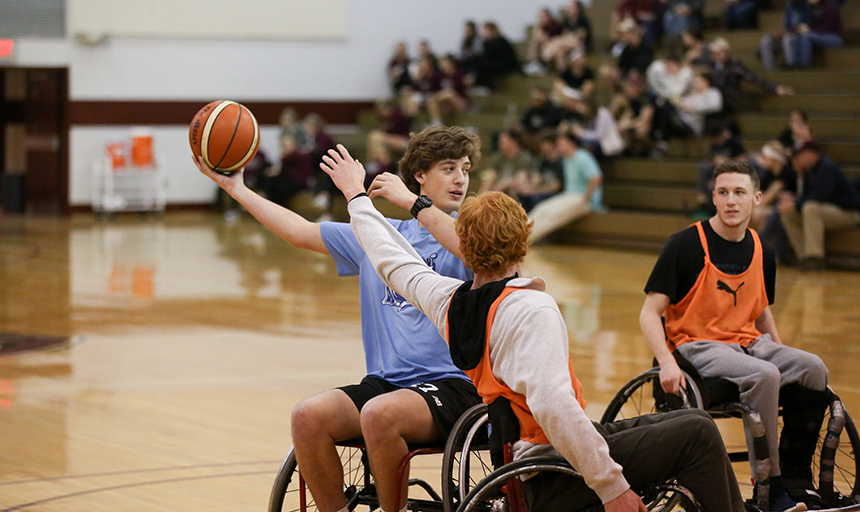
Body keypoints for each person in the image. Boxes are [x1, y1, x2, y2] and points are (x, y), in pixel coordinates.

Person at [318, 146, 745, 512]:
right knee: (699, 432)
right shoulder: (529, 308)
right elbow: (555, 409)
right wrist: (612, 488)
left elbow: (391, 260)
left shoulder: (449, 302)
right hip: (549, 470)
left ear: (466, 247)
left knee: (686, 420)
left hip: (521, 457)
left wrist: (356, 195)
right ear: (522, 242)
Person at [193, 126, 483, 512]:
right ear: (419, 175)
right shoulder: (379, 234)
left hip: (455, 387)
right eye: (449, 168)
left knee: (381, 415)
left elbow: (473, 251)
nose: (461, 178)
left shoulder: (469, 230)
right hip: (387, 384)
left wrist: (413, 203)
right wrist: (236, 189)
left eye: (465, 168)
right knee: (309, 416)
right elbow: (300, 232)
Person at [640, 159, 829, 512]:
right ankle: (768, 487)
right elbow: (649, 313)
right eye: (723, 192)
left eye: (739, 192)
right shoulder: (684, 245)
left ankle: (796, 478)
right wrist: (666, 362)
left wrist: (778, 346)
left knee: (812, 367)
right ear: (713, 197)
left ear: (756, 198)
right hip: (696, 345)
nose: (731, 200)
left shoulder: (762, 250)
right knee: (765, 374)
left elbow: (760, 309)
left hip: (747, 342)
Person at [779, 140, 860, 271]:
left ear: (811, 154)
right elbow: (808, 196)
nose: (797, 159)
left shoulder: (826, 166)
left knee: (810, 208)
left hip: (849, 213)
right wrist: (792, 200)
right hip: (828, 212)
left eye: (799, 155)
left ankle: (814, 258)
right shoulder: (808, 172)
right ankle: (804, 257)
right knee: (787, 212)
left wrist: (796, 203)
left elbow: (822, 195)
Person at [528, 131, 603, 243]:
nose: (558, 146)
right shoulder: (566, 159)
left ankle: (526, 240)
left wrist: (586, 198)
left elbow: (596, 177)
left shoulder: (583, 157)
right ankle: (518, 233)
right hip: (569, 195)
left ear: (571, 143)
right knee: (542, 208)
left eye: (561, 143)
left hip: (582, 199)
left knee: (554, 215)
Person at [782, 0, 843, 69]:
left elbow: (826, 28)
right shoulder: (812, 9)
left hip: (834, 37)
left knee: (806, 36)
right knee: (799, 36)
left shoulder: (830, 8)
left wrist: (809, 28)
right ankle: (793, 63)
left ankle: (803, 65)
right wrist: (805, 28)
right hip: (820, 35)